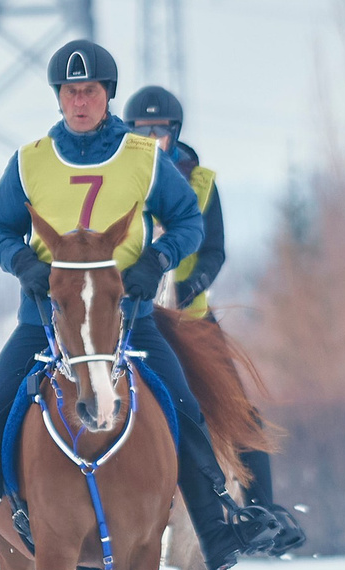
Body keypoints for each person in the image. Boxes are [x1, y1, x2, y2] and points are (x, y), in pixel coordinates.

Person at [0, 39, 301, 570]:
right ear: (59, 97)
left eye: (91, 92)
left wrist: (156, 261)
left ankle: (216, 528)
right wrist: (22, 263)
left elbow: (188, 222)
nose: (80, 102)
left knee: (185, 404)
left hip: (130, 320)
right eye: (70, 92)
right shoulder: (30, 160)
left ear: (108, 95)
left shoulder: (143, 157)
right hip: (46, 320)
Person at [121, 83, 285, 522]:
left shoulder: (202, 184)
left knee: (237, 406)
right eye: (141, 131)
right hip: (130, 312)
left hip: (189, 315)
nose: (152, 138)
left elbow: (214, 250)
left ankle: (262, 510)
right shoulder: (120, 177)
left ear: (174, 132)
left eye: (159, 130)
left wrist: (193, 285)